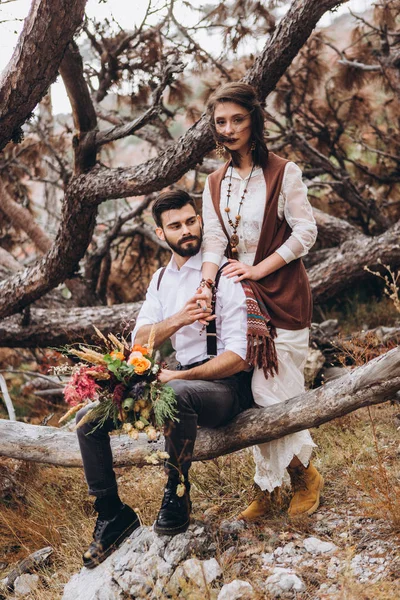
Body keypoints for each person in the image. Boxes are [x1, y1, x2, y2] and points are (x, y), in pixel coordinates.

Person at [76, 189, 253, 568]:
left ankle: (177, 490)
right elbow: (140, 340)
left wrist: (178, 375)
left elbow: (238, 358)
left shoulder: (225, 273)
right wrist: (181, 319)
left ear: (200, 221)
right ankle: (112, 515)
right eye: (176, 225)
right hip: (175, 381)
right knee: (87, 422)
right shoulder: (160, 280)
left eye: (191, 221)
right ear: (160, 233)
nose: (186, 231)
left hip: (224, 389)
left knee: (177, 392)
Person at [200, 81, 323, 521]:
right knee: (259, 397)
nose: (229, 128)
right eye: (221, 121)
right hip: (240, 305)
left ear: (254, 122)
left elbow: (306, 232)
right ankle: (269, 487)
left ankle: (302, 477)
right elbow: (213, 239)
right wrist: (207, 284)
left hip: (283, 296)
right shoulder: (214, 183)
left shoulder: (283, 171)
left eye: (237, 119)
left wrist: (257, 269)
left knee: (272, 392)